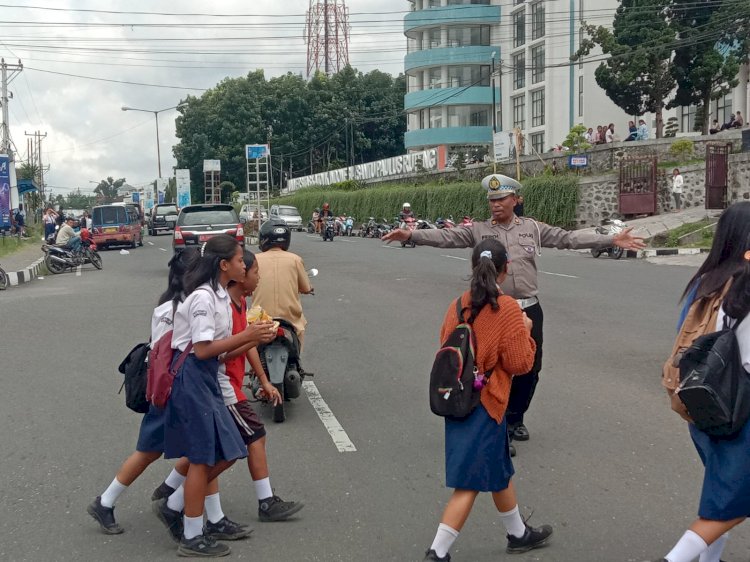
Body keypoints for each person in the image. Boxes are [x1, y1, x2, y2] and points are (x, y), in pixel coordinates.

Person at [383, 174, 645, 455]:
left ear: (516, 200)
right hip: (495, 310)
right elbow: (446, 236)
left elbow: (568, 239)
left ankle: (516, 418)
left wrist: (611, 239)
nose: (495, 204)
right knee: (496, 369)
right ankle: (499, 424)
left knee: (530, 367)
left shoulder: (532, 228)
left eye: (501, 199)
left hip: (529, 308)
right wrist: (411, 234)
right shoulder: (479, 230)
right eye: (491, 200)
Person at [87, 248, 261, 543]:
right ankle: (113, 502)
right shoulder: (183, 306)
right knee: (171, 451)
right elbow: (179, 351)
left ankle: (198, 510)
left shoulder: (177, 303)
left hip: (175, 386)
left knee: (198, 453)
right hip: (175, 389)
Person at [423, 239, 553, 562]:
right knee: (469, 483)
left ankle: (518, 533)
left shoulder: (457, 306)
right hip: (486, 404)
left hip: (457, 400)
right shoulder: (507, 308)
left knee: (499, 470)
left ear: (472, 267)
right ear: (505, 269)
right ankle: (437, 552)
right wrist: (526, 331)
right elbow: (521, 363)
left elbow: (446, 345)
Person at [163, 234, 277, 557]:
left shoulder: (222, 298)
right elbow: (201, 350)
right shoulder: (203, 298)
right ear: (224, 265)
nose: (246, 265)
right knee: (203, 458)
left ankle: (177, 506)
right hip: (192, 379)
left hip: (208, 377)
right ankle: (191, 533)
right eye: (241, 261)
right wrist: (246, 335)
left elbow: (221, 354)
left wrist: (255, 337)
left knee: (225, 451)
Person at [650, 202, 750, 562]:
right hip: (740, 412)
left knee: (723, 494)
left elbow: (685, 339)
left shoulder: (707, 281)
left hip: (705, 406)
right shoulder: (744, 286)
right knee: (731, 500)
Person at [252, 219, 314, 353]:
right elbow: (305, 288)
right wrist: (308, 289)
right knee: (301, 327)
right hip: (289, 319)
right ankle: (297, 362)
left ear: (263, 239)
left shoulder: (254, 259)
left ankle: (255, 368)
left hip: (261, 319)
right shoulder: (295, 259)